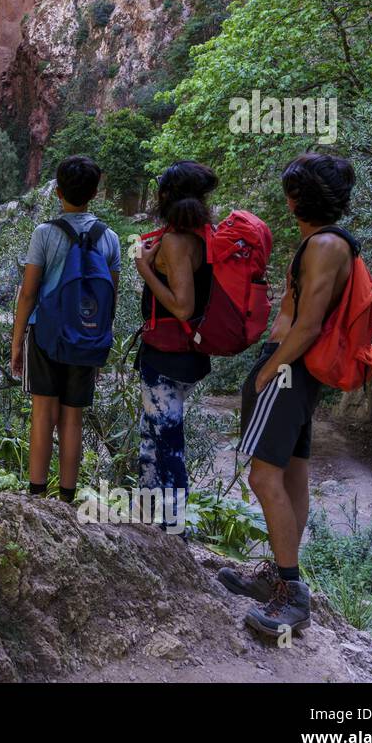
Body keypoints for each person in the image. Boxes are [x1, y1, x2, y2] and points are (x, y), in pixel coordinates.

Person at [218, 153, 358, 638]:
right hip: (298, 371)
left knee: (262, 477)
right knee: (294, 472)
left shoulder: (322, 245)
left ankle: (292, 594)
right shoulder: (326, 242)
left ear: (299, 197)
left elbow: (308, 323)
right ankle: (281, 576)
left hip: (290, 369)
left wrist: (268, 369)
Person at [10, 155, 121, 502]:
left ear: (57, 192)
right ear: (96, 193)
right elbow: (109, 300)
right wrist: (98, 343)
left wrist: (16, 344)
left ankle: (36, 495)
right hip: (86, 338)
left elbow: (28, 293)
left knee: (43, 413)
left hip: (45, 335)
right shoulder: (110, 238)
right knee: (73, 417)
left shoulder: (45, 233)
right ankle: (67, 499)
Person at [133, 161, 218, 531]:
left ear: (165, 196)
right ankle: (149, 526)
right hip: (186, 357)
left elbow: (182, 305)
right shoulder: (203, 236)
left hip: (167, 358)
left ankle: (172, 535)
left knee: (167, 446)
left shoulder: (175, 240)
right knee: (152, 441)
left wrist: (145, 269)